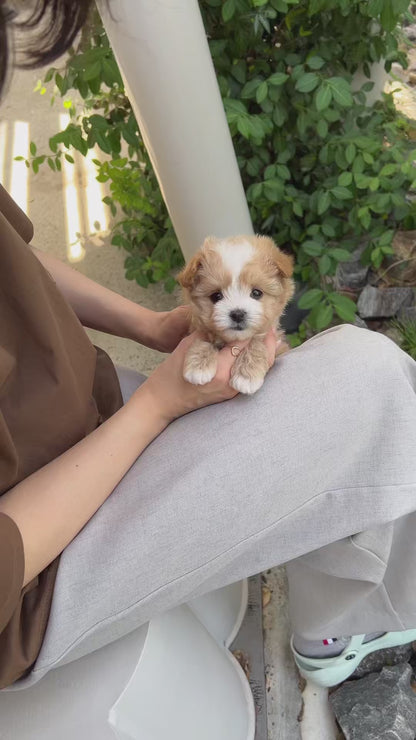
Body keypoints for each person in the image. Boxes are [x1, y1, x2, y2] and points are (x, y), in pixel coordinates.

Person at [1, 0, 416, 693]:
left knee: (322, 391)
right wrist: (155, 408)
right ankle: (344, 625)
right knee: (374, 383)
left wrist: (144, 323)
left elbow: (15, 257)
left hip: (86, 419)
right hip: (36, 583)